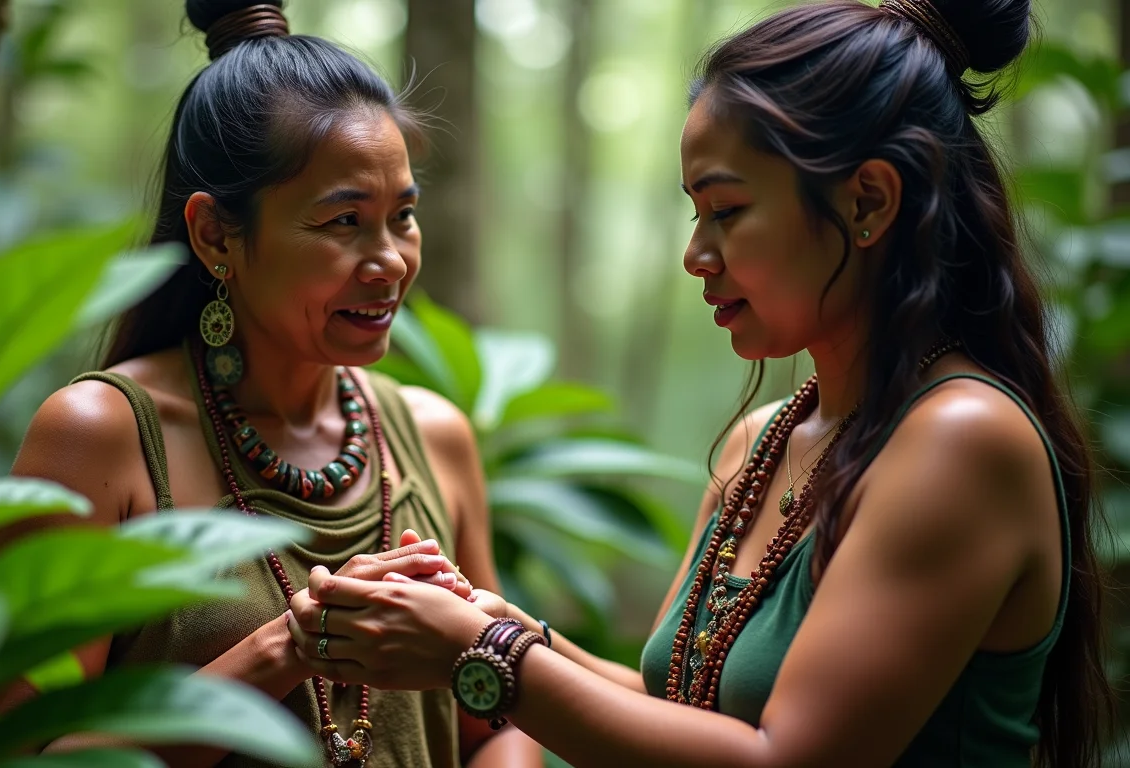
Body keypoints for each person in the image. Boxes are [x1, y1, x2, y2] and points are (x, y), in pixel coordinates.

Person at [285, 0, 1113, 765]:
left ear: (867, 201)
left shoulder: (960, 440)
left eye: (728, 210)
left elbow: (782, 758)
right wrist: (492, 620)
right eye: (695, 213)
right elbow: (669, 706)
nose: (697, 255)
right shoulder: (770, 439)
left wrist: (480, 654)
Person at [0, 1, 542, 766]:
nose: (390, 261)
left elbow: (498, 722)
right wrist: (289, 645)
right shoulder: (98, 437)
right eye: (343, 222)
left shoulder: (434, 435)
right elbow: (17, 754)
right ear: (216, 235)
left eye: (401, 216)